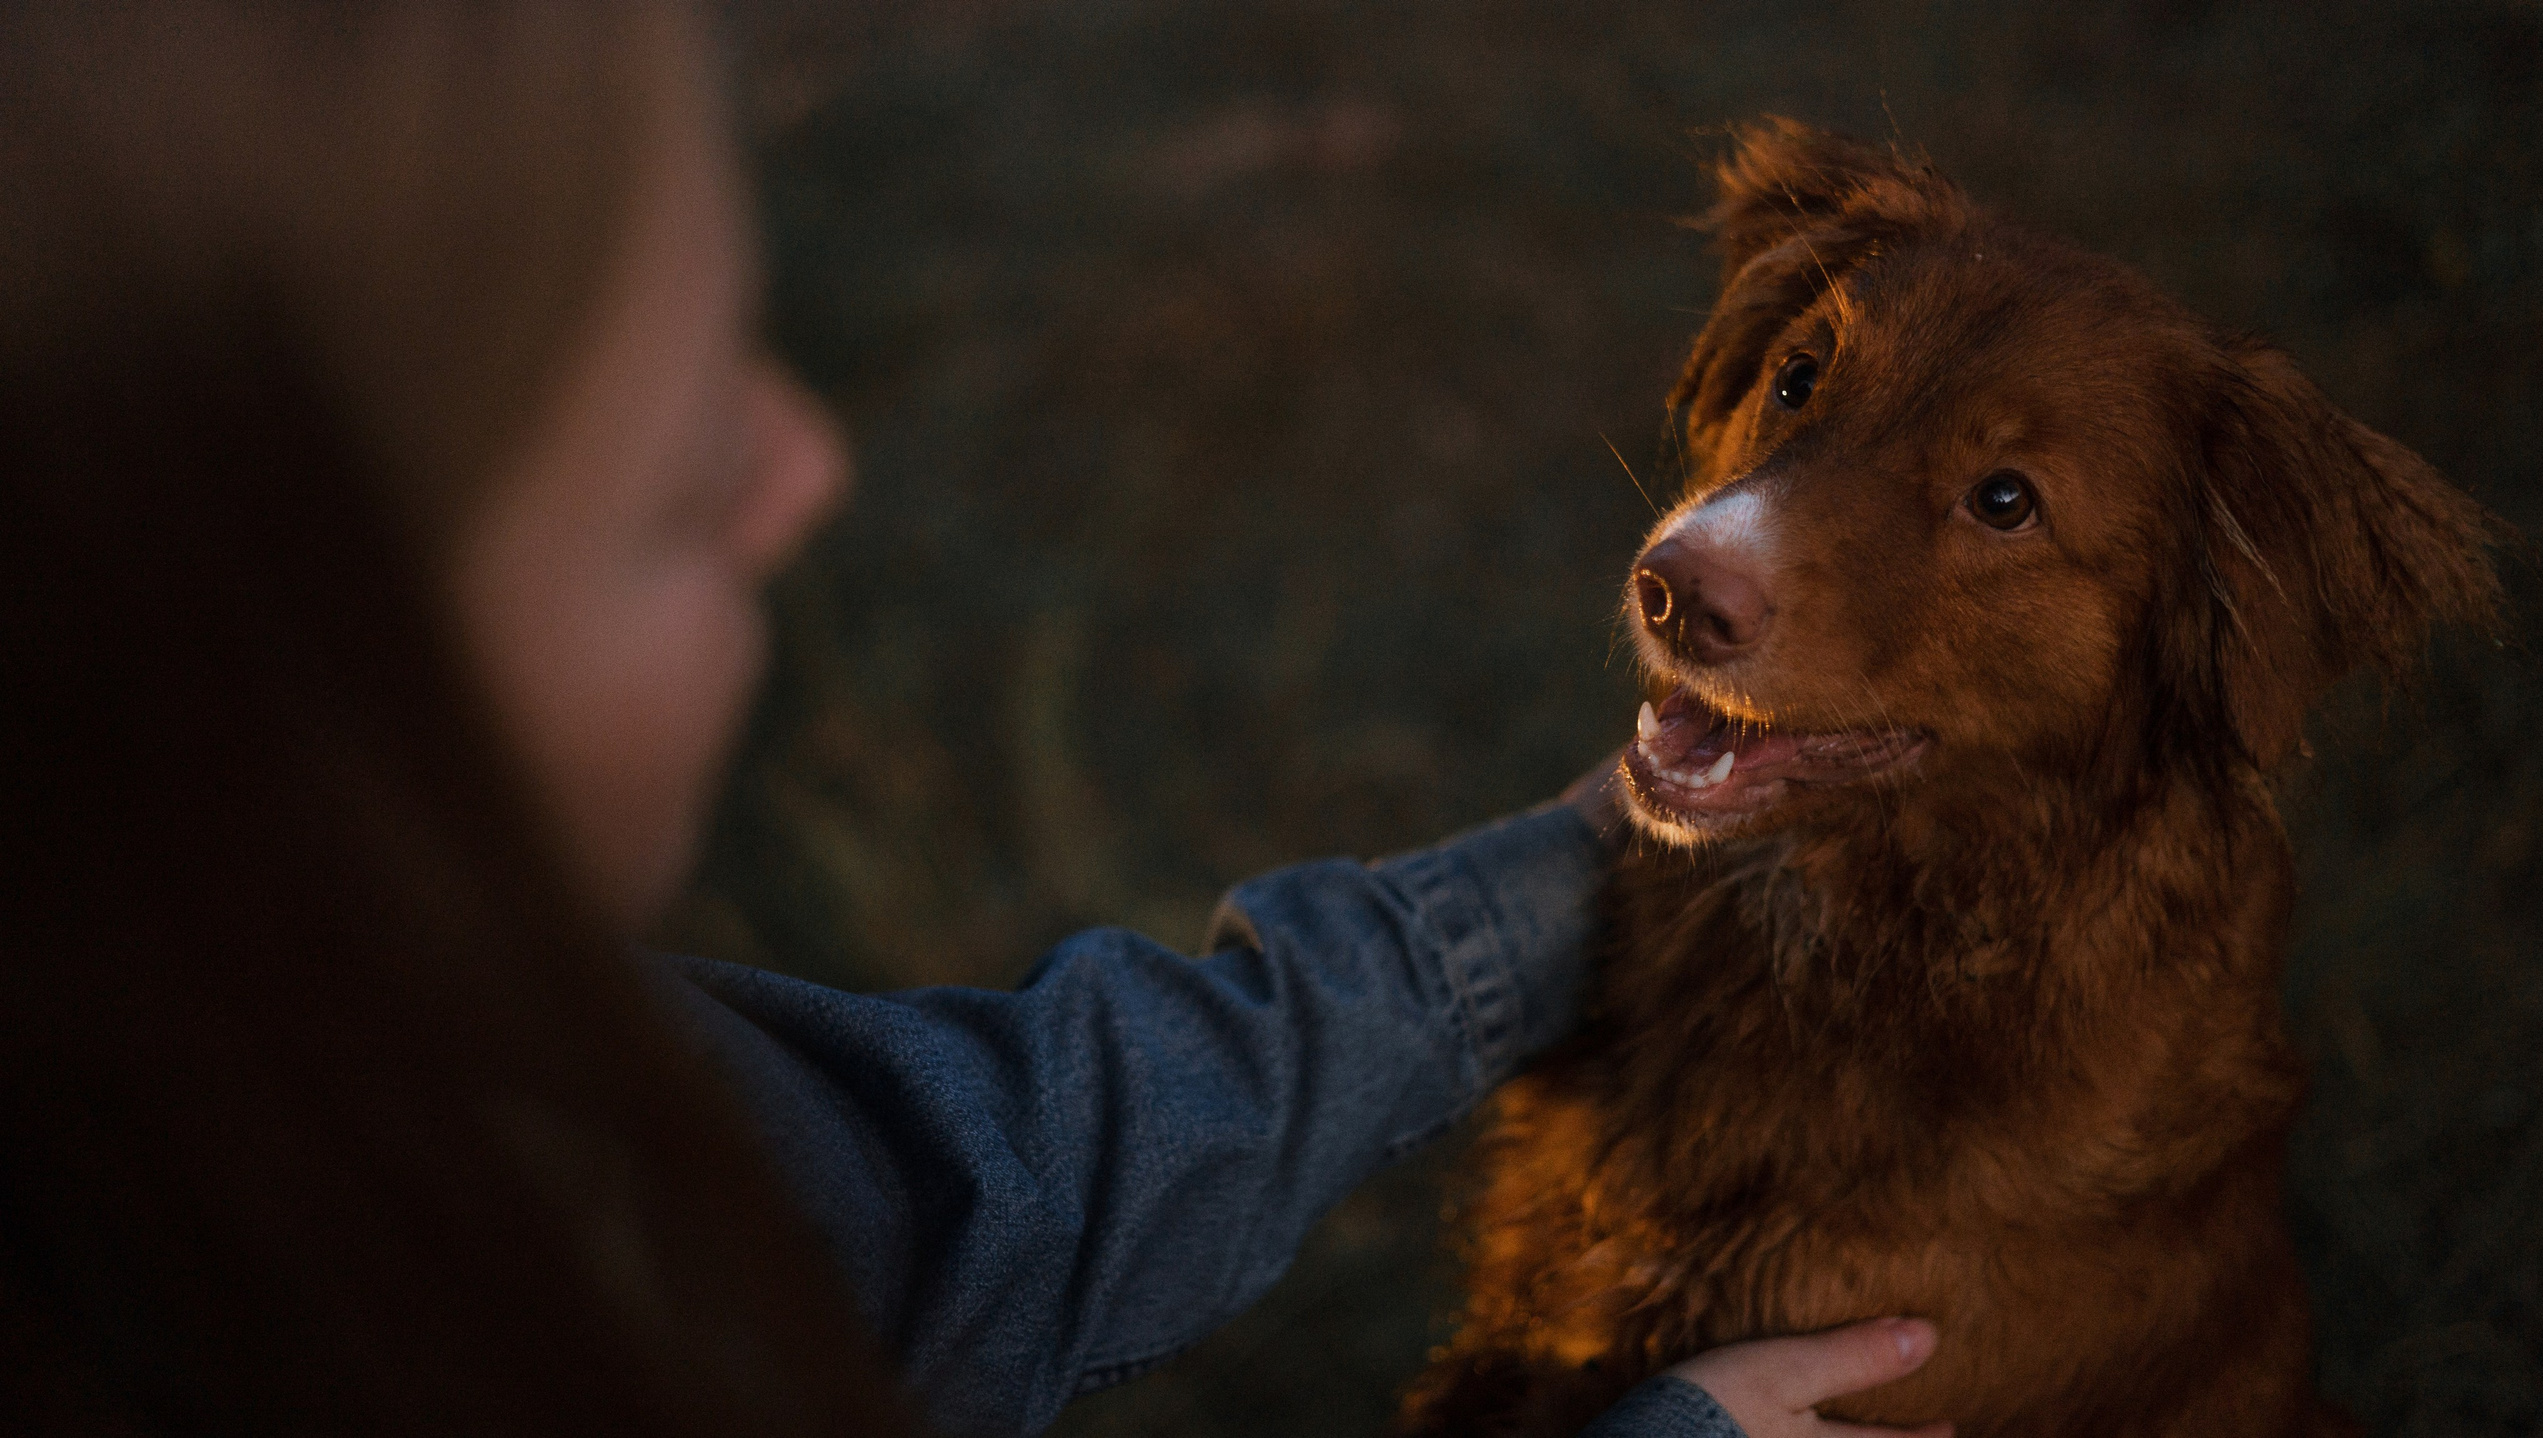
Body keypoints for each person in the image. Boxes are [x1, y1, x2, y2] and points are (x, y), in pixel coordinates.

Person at [0, 4, 1953, 1435]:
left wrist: (1556, 881)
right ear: (300, 717)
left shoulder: (377, 1062)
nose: (806, 473)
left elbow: (972, 1185)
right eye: (683, 487)